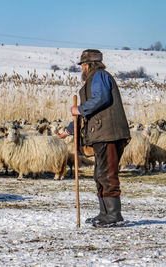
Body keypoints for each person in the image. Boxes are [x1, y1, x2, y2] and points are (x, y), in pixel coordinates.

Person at [57, 49, 130, 228]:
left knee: (107, 173)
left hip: (109, 133)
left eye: (83, 64)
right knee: (99, 174)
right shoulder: (92, 80)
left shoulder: (99, 76)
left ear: (89, 65)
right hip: (101, 133)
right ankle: (104, 213)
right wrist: (69, 130)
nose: (82, 68)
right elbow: (87, 113)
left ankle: (113, 215)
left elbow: (101, 99)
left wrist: (79, 109)